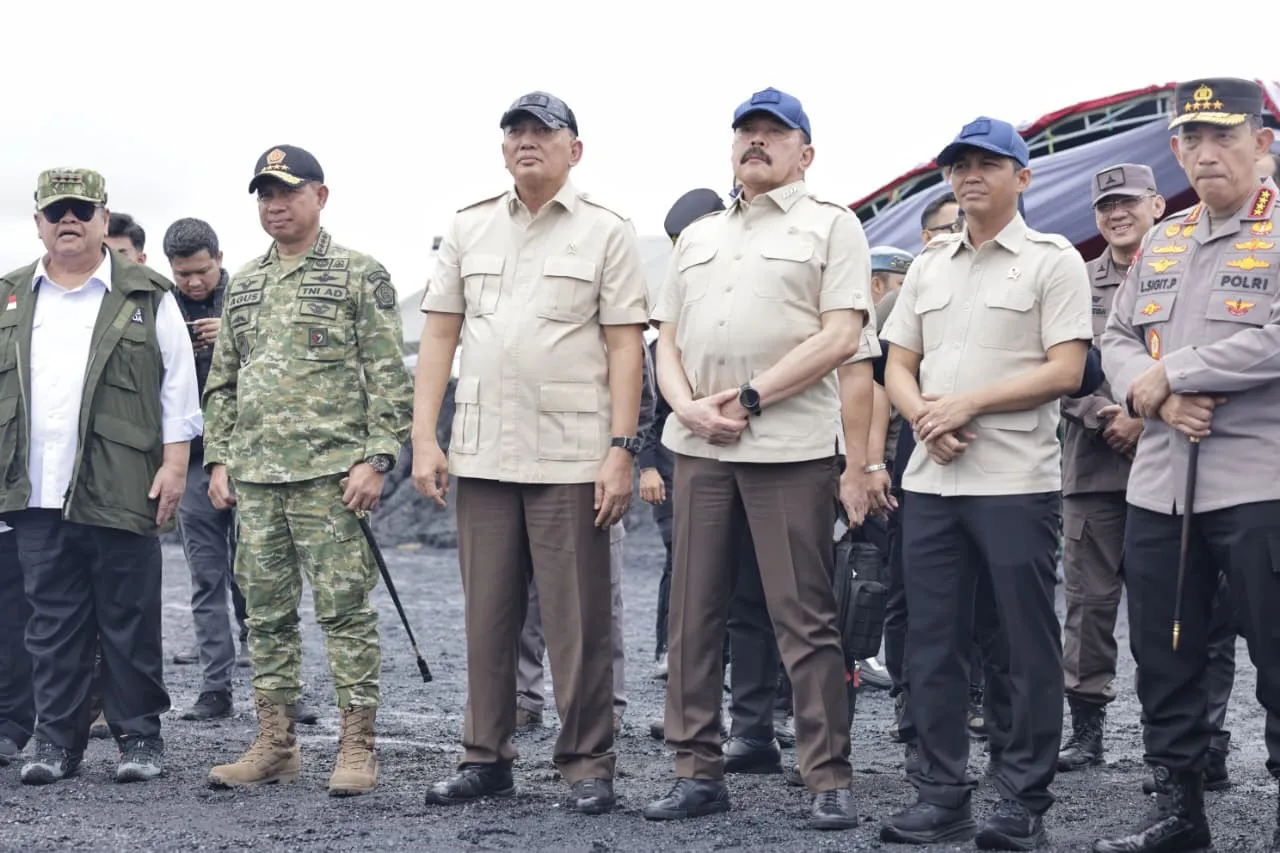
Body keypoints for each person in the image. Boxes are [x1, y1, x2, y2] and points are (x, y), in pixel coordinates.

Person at [644, 86, 874, 831]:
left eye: (774, 133)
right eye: (746, 131)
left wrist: (747, 397)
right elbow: (667, 342)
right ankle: (694, 768)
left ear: (805, 153)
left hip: (787, 445)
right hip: (699, 445)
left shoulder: (833, 228)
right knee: (692, 613)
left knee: (801, 615)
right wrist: (683, 406)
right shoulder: (699, 235)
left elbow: (841, 336)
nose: (756, 142)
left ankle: (827, 775)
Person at [413, 92, 649, 817]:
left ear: (574, 149)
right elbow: (440, 336)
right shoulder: (468, 226)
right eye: (514, 130)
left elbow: (623, 346)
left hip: (572, 455)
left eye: (542, 132)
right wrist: (426, 435)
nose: (526, 141)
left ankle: (586, 761)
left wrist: (620, 449)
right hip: (483, 452)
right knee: (487, 618)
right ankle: (486, 756)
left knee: (578, 620)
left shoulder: (608, 232)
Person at [879, 118, 1093, 848]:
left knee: (1020, 645)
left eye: (988, 164)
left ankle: (1020, 799)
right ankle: (941, 793)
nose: (969, 175)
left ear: (1022, 177)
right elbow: (897, 363)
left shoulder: (1051, 260)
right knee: (932, 644)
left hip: (1013, 481)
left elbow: (1067, 369)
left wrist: (969, 403)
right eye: (959, 165)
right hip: (932, 482)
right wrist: (924, 419)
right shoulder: (930, 264)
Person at [1094, 77, 1280, 853]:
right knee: (1163, 655)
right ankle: (1179, 810)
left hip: (1260, 484)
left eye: (1224, 136)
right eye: (1191, 140)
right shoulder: (1163, 237)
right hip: (1162, 486)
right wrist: (1159, 400)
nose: (1206, 154)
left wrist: (1183, 370)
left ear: (1263, 142)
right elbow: (1114, 338)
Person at [204, 145, 414, 796]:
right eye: (265, 194)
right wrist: (219, 456)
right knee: (264, 617)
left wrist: (377, 458)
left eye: (287, 192)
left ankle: (357, 748)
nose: (275, 205)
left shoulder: (359, 275)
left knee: (345, 613)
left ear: (320, 196)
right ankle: (276, 744)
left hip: (332, 479)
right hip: (258, 481)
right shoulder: (244, 283)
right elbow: (223, 383)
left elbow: (390, 379)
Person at [0, 168, 202, 785]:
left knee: (128, 617)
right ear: (37, 221)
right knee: (51, 623)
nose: (69, 220)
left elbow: (178, 387)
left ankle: (140, 739)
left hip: (123, 481)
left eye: (80, 210)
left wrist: (174, 466)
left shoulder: (147, 293)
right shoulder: (9, 296)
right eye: (56, 210)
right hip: (36, 488)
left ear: (102, 218)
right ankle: (54, 744)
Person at [1056, 164, 1162, 770]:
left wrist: (1145, 421)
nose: (1116, 214)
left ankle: (1175, 740)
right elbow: (1055, 363)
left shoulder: (1179, 270)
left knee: (1170, 607)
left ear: (1154, 204)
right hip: (1094, 472)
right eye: (1105, 207)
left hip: (1171, 468)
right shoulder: (1075, 280)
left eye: (1127, 202)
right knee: (1089, 606)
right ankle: (1086, 731)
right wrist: (1106, 416)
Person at [515, 340, 657, 735]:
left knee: (596, 597)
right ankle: (521, 697)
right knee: (518, 594)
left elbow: (643, 395)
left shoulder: (613, 324)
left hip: (589, 474)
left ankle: (604, 704)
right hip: (518, 468)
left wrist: (623, 456)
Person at [160, 218, 243, 721]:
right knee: (206, 579)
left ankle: (282, 692)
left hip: (249, 459)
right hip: (191, 462)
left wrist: (232, 338)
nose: (193, 282)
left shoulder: (252, 295)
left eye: (202, 271)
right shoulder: (160, 307)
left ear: (219, 257)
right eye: (183, 273)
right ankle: (216, 689)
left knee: (259, 580)